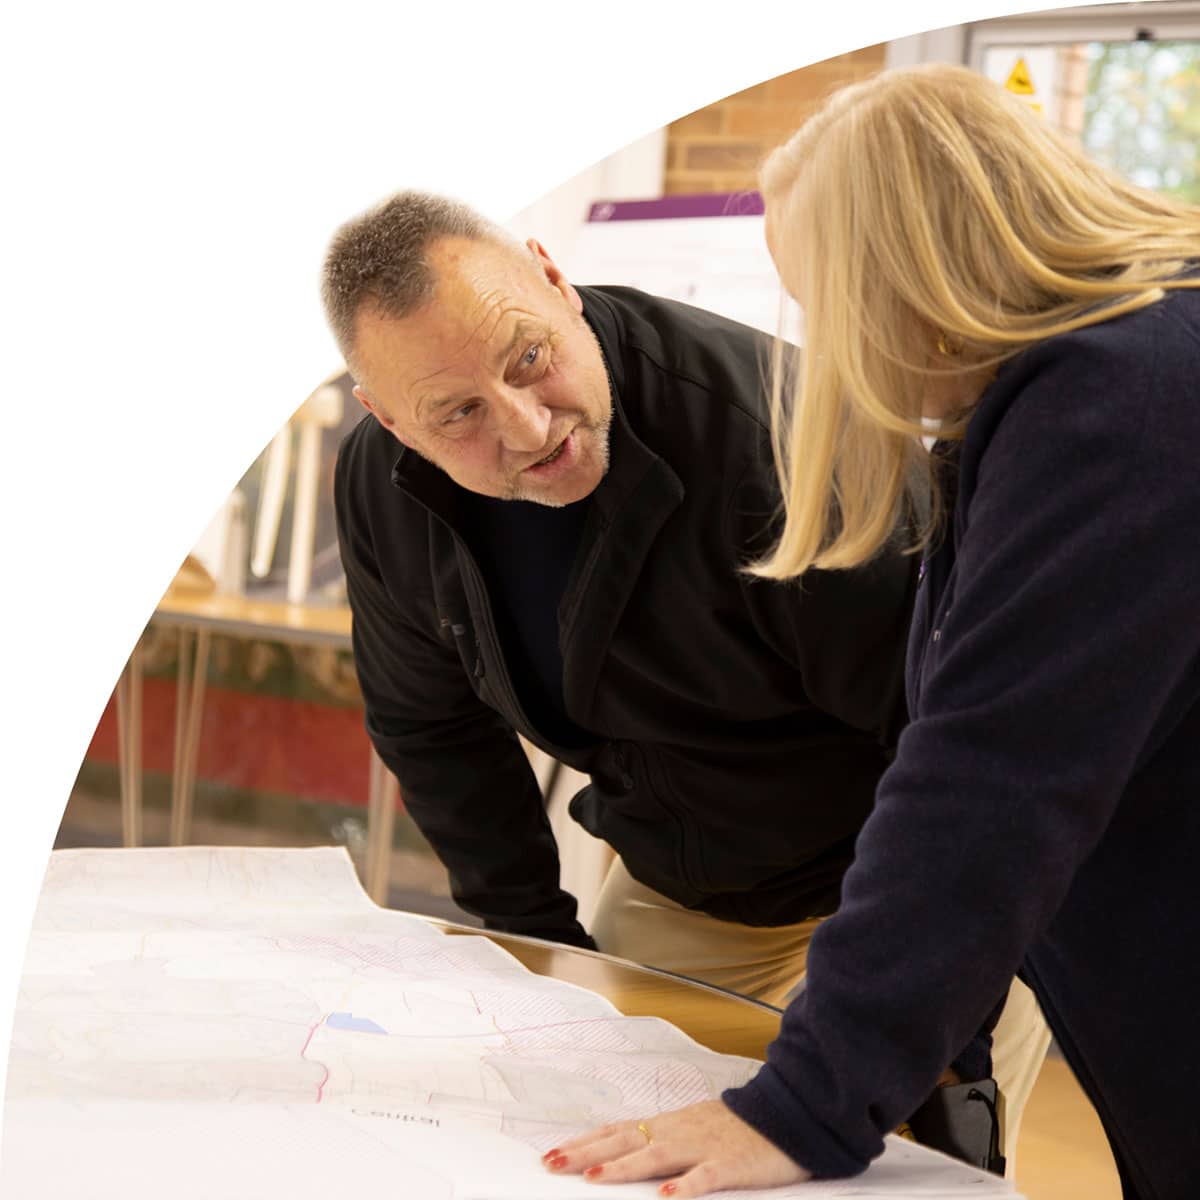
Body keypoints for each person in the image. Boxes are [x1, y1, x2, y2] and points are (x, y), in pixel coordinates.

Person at [545, 62, 1200, 1200]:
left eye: (829, 299)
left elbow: (993, 776)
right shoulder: (1107, 375)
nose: (834, 348)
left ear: (907, 271)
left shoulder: (1117, 405)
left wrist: (806, 1101)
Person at [321, 191, 1047, 1161]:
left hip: (917, 870)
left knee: (914, 1162)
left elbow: (967, 768)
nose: (530, 428)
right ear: (390, 421)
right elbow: (433, 729)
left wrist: (952, 1069)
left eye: (528, 357)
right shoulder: (383, 488)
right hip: (693, 881)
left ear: (553, 279)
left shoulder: (783, 445)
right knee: (616, 1138)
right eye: (457, 413)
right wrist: (540, 956)